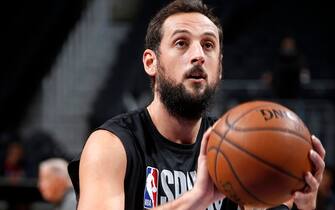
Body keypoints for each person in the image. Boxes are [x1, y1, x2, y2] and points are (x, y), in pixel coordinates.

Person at [68, 0, 326, 209]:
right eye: (181, 42)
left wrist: (305, 205)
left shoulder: (238, 146)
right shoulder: (112, 145)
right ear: (151, 62)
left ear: (220, 67)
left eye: (208, 45)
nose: (199, 55)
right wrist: (195, 200)